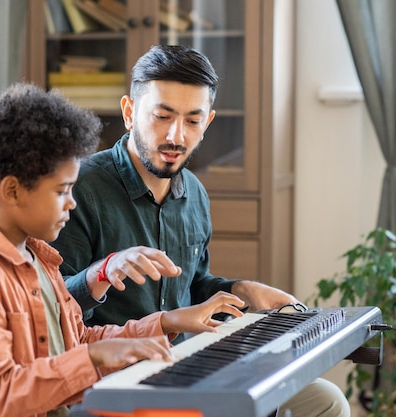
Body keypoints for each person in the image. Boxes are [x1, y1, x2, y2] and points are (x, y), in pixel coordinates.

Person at [0, 82, 247, 417]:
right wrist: (93, 358)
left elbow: (76, 340)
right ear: (12, 191)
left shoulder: (40, 262)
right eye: (62, 191)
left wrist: (166, 321)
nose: (72, 203)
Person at [52, 45, 351, 417]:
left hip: (185, 366)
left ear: (207, 124)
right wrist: (102, 272)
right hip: (112, 380)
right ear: (129, 113)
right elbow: (49, 309)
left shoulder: (194, 192)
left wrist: (241, 289)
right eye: (162, 116)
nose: (176, 135)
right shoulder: (77, 188)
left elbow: (192, 287)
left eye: (192, 121)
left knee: (325, 400)